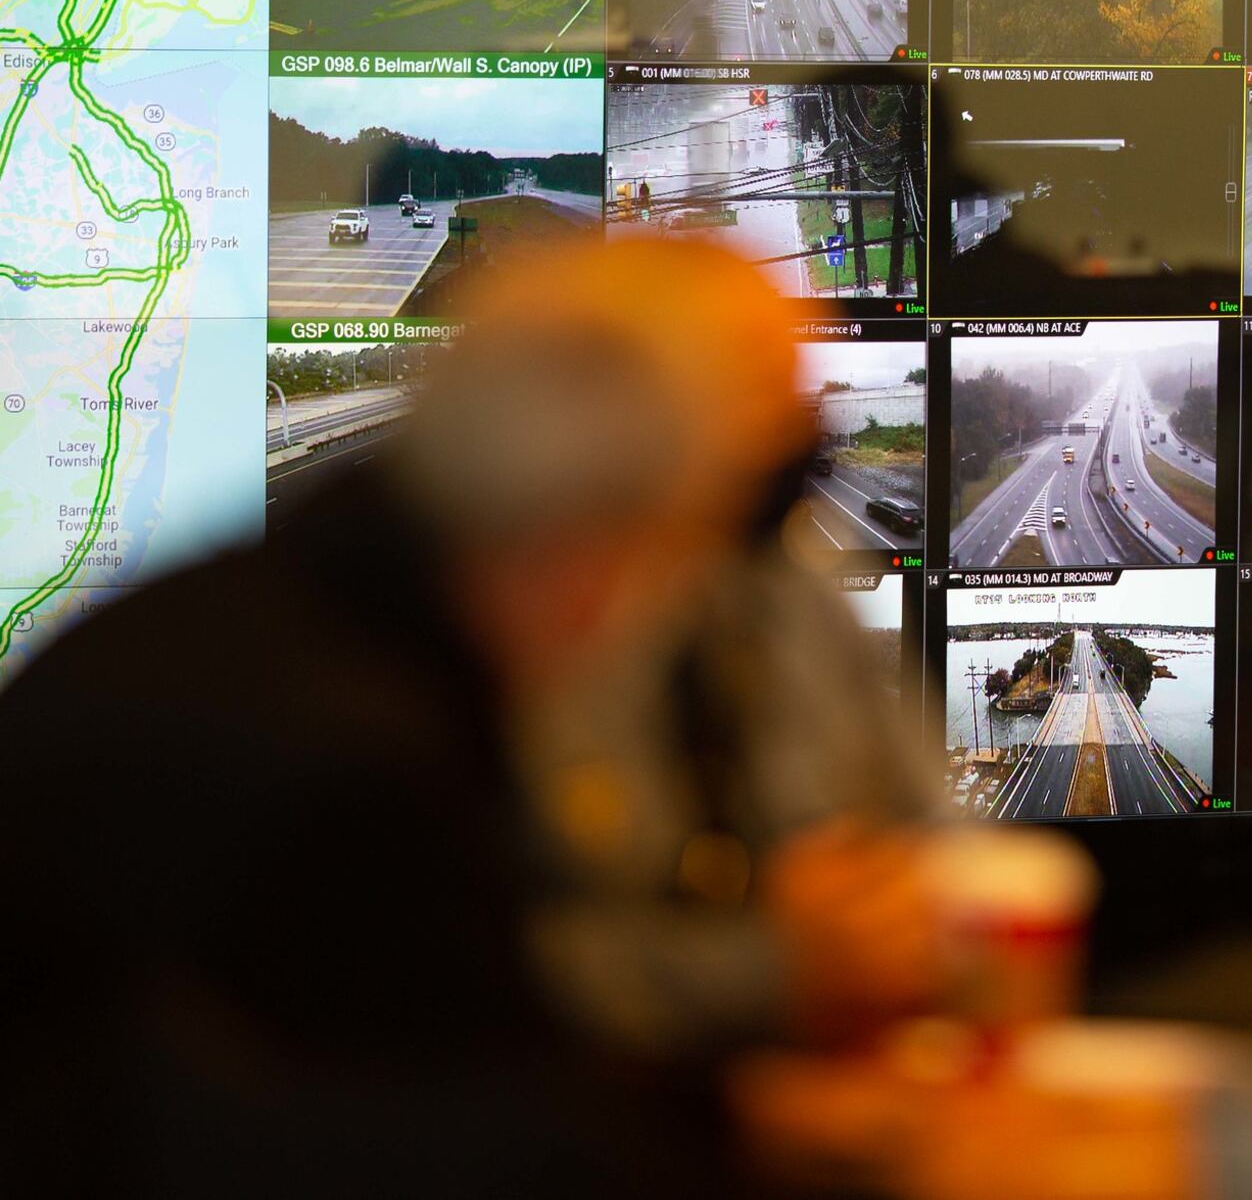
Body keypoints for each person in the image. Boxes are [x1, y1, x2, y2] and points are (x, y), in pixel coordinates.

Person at [0, 236, 943, 1194]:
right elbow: (445, 1108)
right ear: (576, 563)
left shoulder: (299, 601)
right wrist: (755, 1128)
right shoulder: (352, 754)